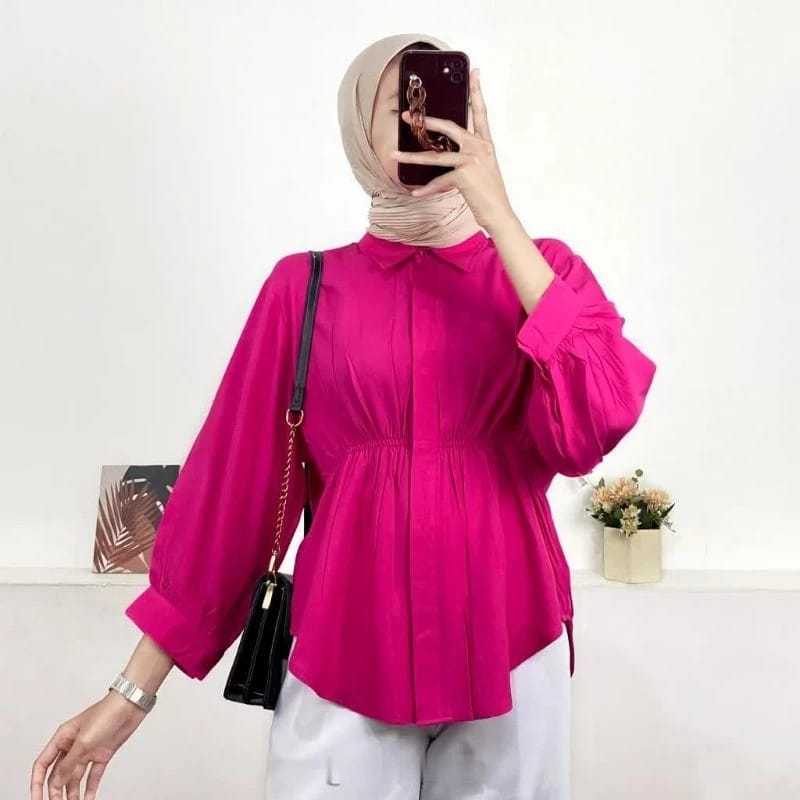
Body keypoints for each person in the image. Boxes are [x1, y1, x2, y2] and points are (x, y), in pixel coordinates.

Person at [30, 32, 657, 800]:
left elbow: (599, 416)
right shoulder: (303, 291)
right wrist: (131, 696)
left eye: (446, 104)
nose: (427, 125)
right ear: (360, 130)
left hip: (512, 643)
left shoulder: (543, 272)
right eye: (402, 107)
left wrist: (496, 210)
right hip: (344, 653)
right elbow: (233, 500)